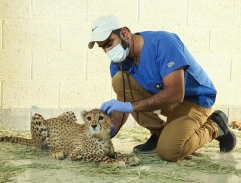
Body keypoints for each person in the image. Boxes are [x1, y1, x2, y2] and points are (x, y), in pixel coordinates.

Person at [87, 15, 237, 162]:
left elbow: (176, 93)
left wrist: (129, 106)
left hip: (193, 100)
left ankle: (216, 126)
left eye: (109, 43)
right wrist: (106, 132)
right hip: (165, 101)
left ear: (125, 34)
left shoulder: (163, 42)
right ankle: (159, 133)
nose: (107, 51)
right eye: (103, 48)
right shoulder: (118, 63)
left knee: (169, 152)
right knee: (119, 80)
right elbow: (123, 102)